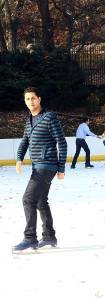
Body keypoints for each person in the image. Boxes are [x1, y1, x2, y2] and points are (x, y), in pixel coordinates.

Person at [13, 86, 67, 252]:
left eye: (33, 98)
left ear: (39, 99)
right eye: (27, 99)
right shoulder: (29, 120)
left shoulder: (49, 117)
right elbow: (24, 141)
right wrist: (19, 159)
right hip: (37, 166)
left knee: (28, 199)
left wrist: (61, 167)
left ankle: (30, 238)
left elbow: (62, 142)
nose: (31, 101)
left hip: (47, 165)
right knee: (40, 201)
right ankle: (49, 236)